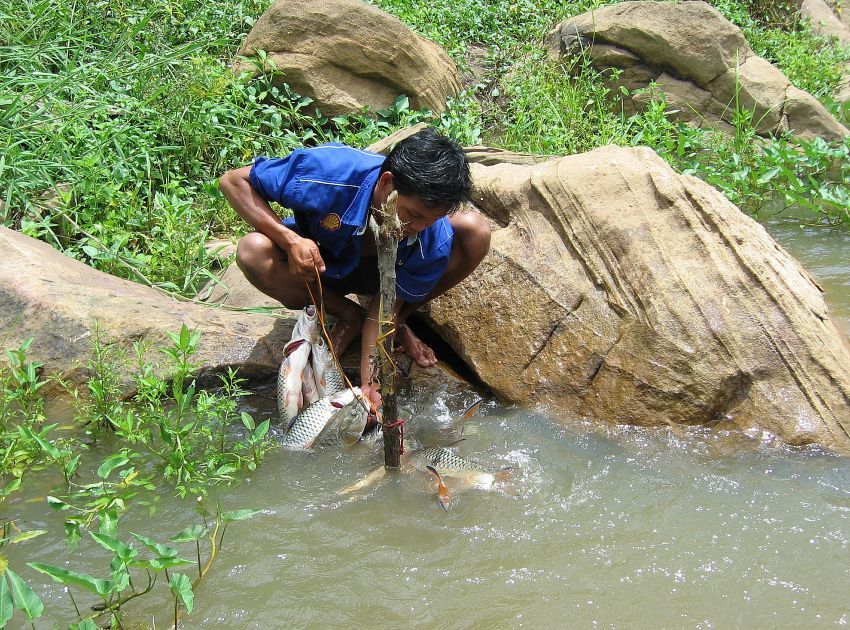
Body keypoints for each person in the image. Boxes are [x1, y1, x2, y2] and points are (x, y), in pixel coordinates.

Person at [219, 128, 490, 408]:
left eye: (431, 220)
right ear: (387, 184)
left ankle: (397, 322)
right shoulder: (329, 172)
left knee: (389, 313)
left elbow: (383, 307)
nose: (418, 228)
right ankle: (347, 313)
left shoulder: (431, 238)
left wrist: (370, 386)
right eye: (413, 215)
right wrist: (291, 242)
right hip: (319, 266)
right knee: (253, 250)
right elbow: (233, 180)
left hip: (381, 281)